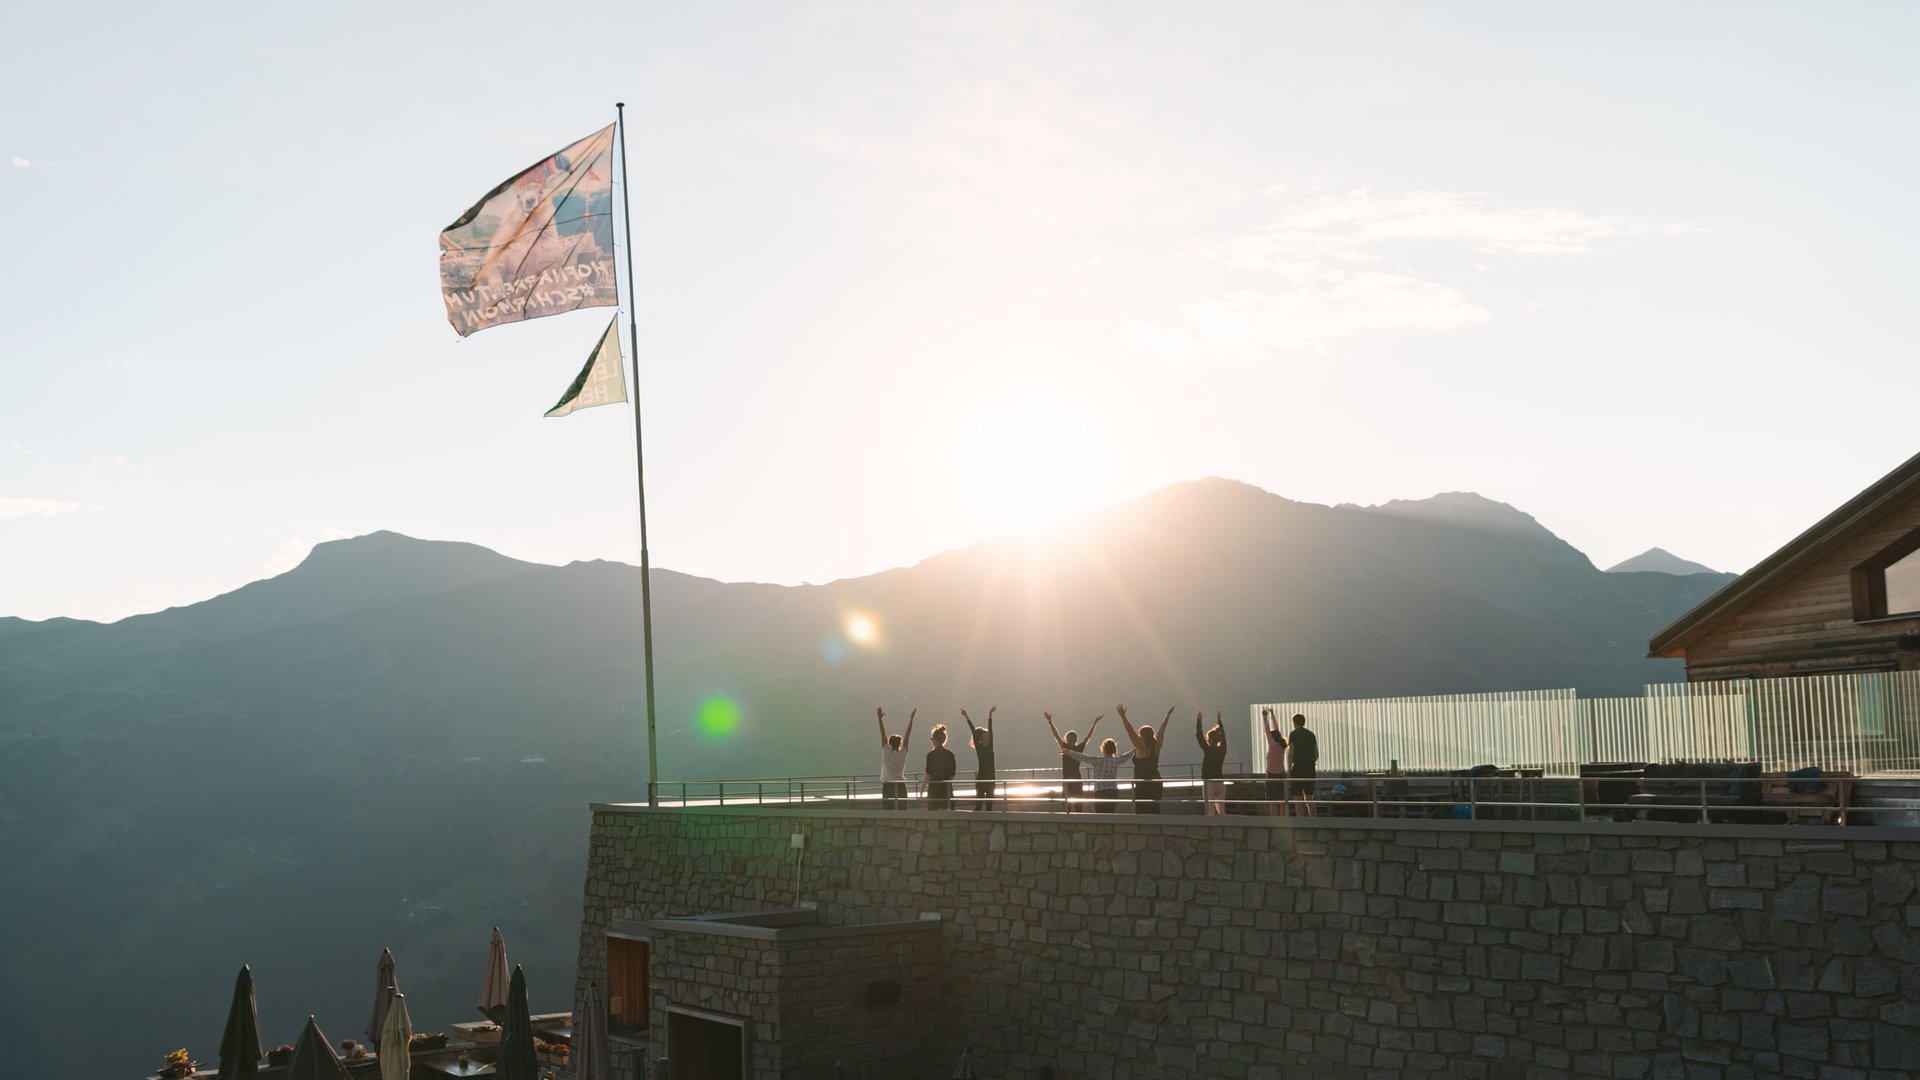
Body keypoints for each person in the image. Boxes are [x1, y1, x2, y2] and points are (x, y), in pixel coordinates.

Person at [1115, 704, 1172, 814]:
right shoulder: (1157, 745)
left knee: (1142, 810)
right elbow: (1162, 729)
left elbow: (1130, 730)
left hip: (1143, 783)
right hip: (1156, 781)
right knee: (1155, 810)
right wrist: (1168, 715)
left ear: (1141, 735)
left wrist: (1122, 716)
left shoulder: (1140, 746)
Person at [1045, 711, 1103, 812]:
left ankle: (1068, 817)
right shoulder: (1079, 749)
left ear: (1067, 739)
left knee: (1065, 801)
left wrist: (1050, 721)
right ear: (1076, 739)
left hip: (1067, 778)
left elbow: (1056, 735)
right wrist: (1095, 723)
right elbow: (1087, 737)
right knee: (1078, 802)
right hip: (1077, 778)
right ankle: (1078, 817)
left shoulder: (1065, 748)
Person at [1062, 735, 1134, 812]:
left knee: (1100, 815)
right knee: (1111, 814)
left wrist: (1069, 752)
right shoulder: (1116, 761)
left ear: (1103, 749)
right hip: (1113, 791)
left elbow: (1082, 757)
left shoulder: (1098, 760)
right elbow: (1126, 756)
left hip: (1100, 791)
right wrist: (1135, 749)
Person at [876, 706, 915, 810]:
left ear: (889, 743)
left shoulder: (886, 751)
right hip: (901, 786)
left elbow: (882, 734)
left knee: (888, 813)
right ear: (900, 743)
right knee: (902, 813)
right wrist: (911, 719)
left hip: (888, 786)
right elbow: (907, 737)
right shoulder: (903, 753)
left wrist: (880, 720)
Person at [958, 706, 997, 810]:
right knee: (979, 804)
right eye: (985, 737)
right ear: (980, 739)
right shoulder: (980, 748)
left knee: (990, 805)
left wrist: (990, 715)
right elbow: (973, 731)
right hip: (981, 778)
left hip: (991, 779)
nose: (988, 738)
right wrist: (966, 716)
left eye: (988, 737)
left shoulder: (990, 746)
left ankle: (990, 823)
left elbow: (991, 729)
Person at [1197, 710, 1230, 815]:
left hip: (1209, 783)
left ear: (1210, 740)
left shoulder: (1208, 750)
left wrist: (1198, 721)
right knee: (1222, 812)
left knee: (1210, 812)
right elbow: (1224, 737)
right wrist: (1220, 721)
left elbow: (1199, 736)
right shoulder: (1222, 750)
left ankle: (1210, 830)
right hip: (1220, 783)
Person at [1288, 713, 1318, 817]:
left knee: (1298, 797)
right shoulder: (1311, 734)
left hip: (1298, 768)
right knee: (1309, 797)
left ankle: (1301, 820)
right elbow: (1316, 754)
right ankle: (1313, 820)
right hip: (1310, 768)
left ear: (1294, 722)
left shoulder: (1293, 734)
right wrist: (1310, 762)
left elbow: (1291, 753)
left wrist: (1289, 768)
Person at [1261, 707, 1288, 816]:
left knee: (1272, 800)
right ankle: (1284, 818)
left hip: (1271, 774)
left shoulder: (1272, 745)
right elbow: (1276, 730)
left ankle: (1274, 819)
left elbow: (1268, 730)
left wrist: (1264, 717)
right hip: (1281, 774)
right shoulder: (1282, 746)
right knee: (1282, 799)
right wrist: (1272, 715)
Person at [924, 724, 958, 810]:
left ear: (935, 740)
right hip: (946, 789)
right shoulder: (950, 754)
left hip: (934, 790)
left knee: (933, 817)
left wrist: (922, 786)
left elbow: (928, 774)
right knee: (949, 817)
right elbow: (952, 776)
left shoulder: (930, 755)